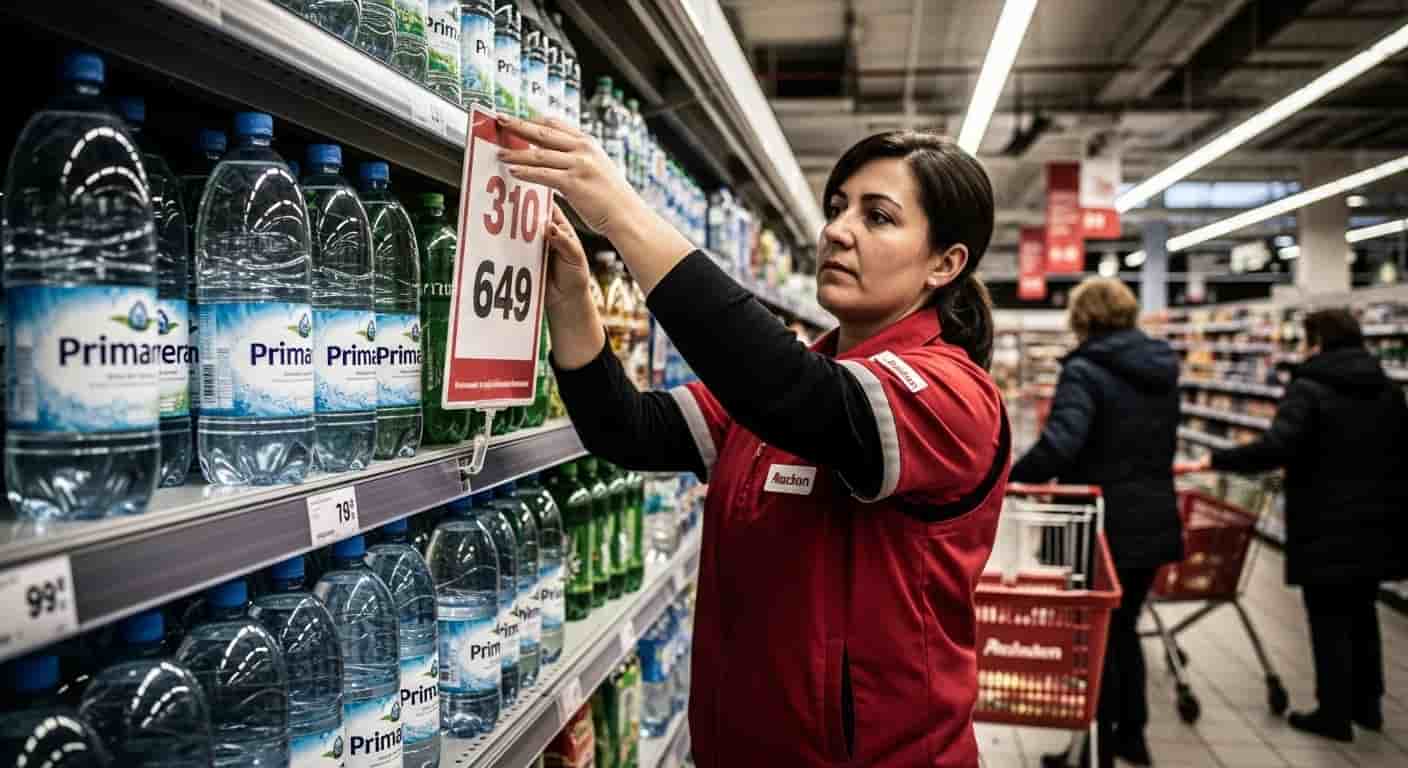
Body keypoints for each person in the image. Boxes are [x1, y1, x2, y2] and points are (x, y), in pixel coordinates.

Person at [498, 117, 1009, 766]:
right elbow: (627, 430)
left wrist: (624, 214)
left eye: (877, 217)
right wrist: (572, 294)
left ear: (946, 262)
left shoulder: (953, 396)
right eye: (837, 208)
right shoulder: (793, 378)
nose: (837, 231)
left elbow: (799, 398)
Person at [1181, 308, 1408, 743]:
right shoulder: (1387, 390)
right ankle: (1369, 705)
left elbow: (1278, 446)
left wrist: (1216, 459)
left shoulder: (1310, 388)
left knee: (1327, 617)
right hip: (1377, 523)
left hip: (1326, 520)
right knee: (1363, 613)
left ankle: (1334, 713)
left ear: (1317, 341)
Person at [1008, 278, 1183, 768]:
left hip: (1102, 525)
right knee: (1123, 628)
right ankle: (1129, 736)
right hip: (1152, 519)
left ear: (1082, 318)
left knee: (1097, 636)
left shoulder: (1085, 371)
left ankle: (1095, 748)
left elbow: (1063, 443)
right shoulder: (1163, 369)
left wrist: (1010, 476)